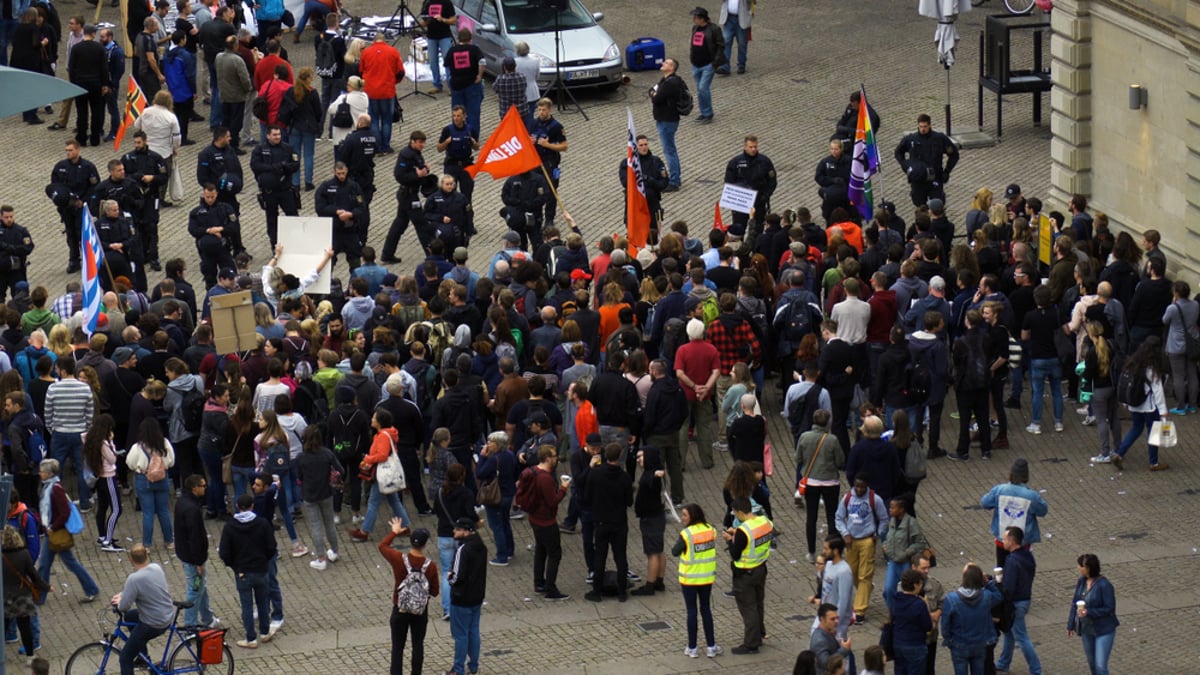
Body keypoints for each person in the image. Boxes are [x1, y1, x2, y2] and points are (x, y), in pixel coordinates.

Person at [37, 458, 101, 602]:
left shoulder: (55, 489)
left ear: (48, 473)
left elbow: (64, 512)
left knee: (64, 563)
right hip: (52, 532)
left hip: (55, 532)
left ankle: (91, 588)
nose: (39, 474)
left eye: (41, 472)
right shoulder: (51, 487)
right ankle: (40, 595)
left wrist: (52, 527)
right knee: (45, 564)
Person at [219, 493, 278, 648]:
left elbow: (224, 552)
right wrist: (264, 560)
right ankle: (265, 632)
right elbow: (272, 547)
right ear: (252, 506)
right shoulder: (263, 524)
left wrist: (234, 565)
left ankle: (250, 638)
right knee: (263, 602)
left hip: (242, 572)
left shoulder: (230, 526)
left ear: (238, 507)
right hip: (260, 569)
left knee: (247, 605)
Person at [380, 522, 438, 675]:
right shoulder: (430, 566)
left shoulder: (399, 559)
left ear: (410, 541)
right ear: (425, 544)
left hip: (400, 608)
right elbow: (435, 591)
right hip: (420, 611)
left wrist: (394, 532)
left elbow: (382, 546)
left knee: (397, 647)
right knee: (418, 644)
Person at [347, 409, 411, 542]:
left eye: (374, 418)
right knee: (394, 501)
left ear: (380, 422)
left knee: (373, 502)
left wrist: (368, 459)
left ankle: (365, 531)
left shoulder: (382, 436)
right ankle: (405, 527)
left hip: (381, 474)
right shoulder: (388, 434)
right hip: (386, 474)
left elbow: (382, 455)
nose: (372, 419)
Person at [583, 443, 634, 602]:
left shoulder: (596, 474)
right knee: (620, 556)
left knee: (600, 556)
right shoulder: (625, 477)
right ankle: (621, 592)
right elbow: (629, 502)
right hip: (619, 522)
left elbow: (587, 497)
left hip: (601, 522)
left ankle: (596, 592)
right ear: (619, 456)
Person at [112, 544, 173, 675]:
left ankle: (138, 654)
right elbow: (146, 586)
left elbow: (123, 607)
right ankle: (142, 656)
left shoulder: (134, 579)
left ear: (131, 560)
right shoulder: (156, 567)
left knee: (125, 658)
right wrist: (124, 594)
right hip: (166, 615)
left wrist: (119, 602)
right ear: (147, 556)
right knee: (130, 616)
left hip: (153, 623)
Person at [834, 475, 886, 624]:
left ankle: (860, 610)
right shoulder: (847, 498)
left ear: (867, 486)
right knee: (851, 573)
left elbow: (884, 519)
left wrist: (877, 534)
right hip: (851, 541)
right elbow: (839, 518)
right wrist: (845, 534)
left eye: (862, 486)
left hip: (867, 540)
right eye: (857, 486)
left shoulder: (874, 499)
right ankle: (867, 589)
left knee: (865, 575)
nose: (859, 489)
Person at [45, 356, 94, 511]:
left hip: (59, 433)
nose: (56, 371)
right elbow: (89, 414)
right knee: (81, 469)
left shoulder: (53, 388)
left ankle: (57, 504)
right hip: (79, 433)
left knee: (55, 470)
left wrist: (52, 428)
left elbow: (48, 413)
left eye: (57, 369)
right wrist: (85, 428)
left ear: (63, 371)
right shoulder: (85, 388)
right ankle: (85, 502)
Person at [673, 503, 722, 658]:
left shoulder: (686, 534)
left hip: (689, 579)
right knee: (706, 609)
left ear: (692, 516)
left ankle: (692, 648)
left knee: (692, 611)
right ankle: (711, 646)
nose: (682, 518)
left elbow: (675, 551)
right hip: (706, 577)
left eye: (685, 515)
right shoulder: (711, 530)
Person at [724, 496, 771, 655]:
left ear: (739, 512)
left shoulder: (744, 530)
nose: (735, 516)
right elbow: (754, 536)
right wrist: (737, 534)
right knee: (758, 604)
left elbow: (735, 554)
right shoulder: (765, 522)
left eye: (735, 513)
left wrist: (730, 540)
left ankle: (751, 644)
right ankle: (759, 633)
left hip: (745, 574)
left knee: (748, 608)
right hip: (761, 568)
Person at [980, 458, 1049, 566]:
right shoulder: (1031, 496)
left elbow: (985, 502)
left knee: (1002, 571)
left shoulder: (999, 490)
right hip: (1022, 543)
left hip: (1002, 540)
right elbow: (1043, 510)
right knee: (1021, 573)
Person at [522, 444, 570, 599]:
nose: (557, 458)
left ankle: (539, 583)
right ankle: (551, 589)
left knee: (541, 551)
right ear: (548, 458)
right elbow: (553, 501)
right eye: (554, 456)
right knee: (554, 554)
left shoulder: (533, 472)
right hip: (546, 522)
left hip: (534, 518)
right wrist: (563, 488)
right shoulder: (546, 478)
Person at [994, 526, 1042, 675]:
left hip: (1016, 603)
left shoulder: (1012, 561)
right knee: (1009, 632)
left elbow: (1008, 588)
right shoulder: (1027, 556)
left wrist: (996, 583)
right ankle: (1003, 663)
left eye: (1005, 538)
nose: (1002, 541)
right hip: (1025, 598)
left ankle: (1036, 670)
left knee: (1021, 637)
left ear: (1012, 541)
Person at [295, 425, 343, 570]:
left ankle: (320, 558)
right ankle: (334, 551)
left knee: (316, 525)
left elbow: (298, 477)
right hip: (326, 492)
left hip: (309, 494)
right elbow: (340, 470)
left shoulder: (301, 457)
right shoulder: (327, 454)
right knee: (329, 523)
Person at [940, 563, 1002, 675]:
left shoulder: (951, 599)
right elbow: (998, 596)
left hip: (959, 644)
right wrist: (987, 582)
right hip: (980, 644)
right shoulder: (986, 596)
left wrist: (949, 640)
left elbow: (945, 624)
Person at [174, 474, 218, 630]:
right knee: (195, 589)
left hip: (186, 554)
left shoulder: (183, 503)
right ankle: (190, 625)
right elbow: (194, 537)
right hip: (193, 559)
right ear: (194, 488)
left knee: (201, 587)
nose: (205, 488)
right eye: (203, 486)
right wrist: (199, 561)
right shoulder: (192, 509)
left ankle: (207, 618)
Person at [797, 409, 842, 561]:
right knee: (832, 516)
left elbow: (798, 458)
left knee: (811, 517)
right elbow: (840, 461)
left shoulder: (804, 437)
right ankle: (833, 551)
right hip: (830, 482)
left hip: (811, 482)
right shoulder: (832, 440)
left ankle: (811, 552)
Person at [1, 524, 49, 663]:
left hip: (5, 597)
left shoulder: (2, 556)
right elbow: (34, 575)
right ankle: (30, 656)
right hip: (22, 597)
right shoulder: (24, 555)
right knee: (25, 628)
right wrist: (46, 587)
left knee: (2, 628)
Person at [126, 417, 175, 549]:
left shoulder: (137, 447)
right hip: (162, 478)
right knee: (164, 511)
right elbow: (171, 461)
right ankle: (169, 541)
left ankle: (147, 544)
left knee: (148, 513)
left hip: (143, 480)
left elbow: (130, 463)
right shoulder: (164, 443)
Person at [447, 516, 487, 675]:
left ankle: (458, 669)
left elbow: (456, 576)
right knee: (473, 631)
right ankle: (474, 665)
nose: (454, 531)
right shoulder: (481, 546)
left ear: (465, 531)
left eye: (457, 529)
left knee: (460, 635)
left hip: (461, 597)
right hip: (477, 595)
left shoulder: (463, 549)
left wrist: (449, 578)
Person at [893, 113, 959, 206]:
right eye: (921, 126)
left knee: (937, 205)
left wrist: (947, 171)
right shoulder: (911, 139)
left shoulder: (939, 139)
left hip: (935, 177)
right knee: (919, 206)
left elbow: (954, 155)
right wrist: (906, 165)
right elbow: (898, 152)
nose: (923, 129)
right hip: (918, 179)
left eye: (925, 126)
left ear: (930, 125)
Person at [1069, 553, 1118, 675]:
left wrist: (1089, 612)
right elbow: (1075, 603)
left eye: (1081, 566)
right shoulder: (1081, 582)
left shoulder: (1104, 585)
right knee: (1092, 665)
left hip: (1103, 630)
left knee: (1100, 666)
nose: (1078, 568)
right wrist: (1070, 624)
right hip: (1087, 629)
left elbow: (1109, 608)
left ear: (1088, 568)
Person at [724, 135, 777, 242]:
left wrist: (765, 196)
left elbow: (772, 181)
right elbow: (729, 182)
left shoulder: (765, 162)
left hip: (759, 202)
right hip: (741, 203)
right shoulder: (736, 163)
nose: (753, 149)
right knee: (739, 230)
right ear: (745, 147)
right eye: (751, 147)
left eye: (755, 147)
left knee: (758, 230)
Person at [82, 413, 123, 551]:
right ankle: (108, 541)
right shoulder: (104, 443)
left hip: (100, 478)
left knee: (103, 507)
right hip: (108, 477)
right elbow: (112, 459)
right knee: (117, 509)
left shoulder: (91, 440)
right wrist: (111, 442)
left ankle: (102, 535)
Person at [476, 431, 517, 566]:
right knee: (505, 522)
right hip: (508, 494)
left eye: (490, 442)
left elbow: (480, 473)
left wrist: (482, 457)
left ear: (498, 445)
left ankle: (502, 556)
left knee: (496, 526)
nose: (487, 444)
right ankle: (509, 550)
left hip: (496, 496)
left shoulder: (494, 459)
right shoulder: (510, 455)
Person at [881, 495, 927, 614]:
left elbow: (920, 543)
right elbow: (888, 536)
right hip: (893, 562)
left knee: (906, 590)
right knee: (888, 590)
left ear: (901, 509)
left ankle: (906, 612)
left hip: (906, 563)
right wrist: (886, 545)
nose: (890, 510)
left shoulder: (910, 523)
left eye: (893, 508)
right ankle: (893, 612)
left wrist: (906, 553)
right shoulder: (892, 521)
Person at [630, 447, 667, 596]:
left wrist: (655, 475)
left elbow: (656, 478)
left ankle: (650, 585)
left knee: (652, 552)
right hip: (656, 517)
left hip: (651, 518)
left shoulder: (652, 474)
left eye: (641, 456)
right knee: (659, 550)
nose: (638, 459)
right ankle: (659, 580)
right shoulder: (653, 472)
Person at [359, 31, 403, 154]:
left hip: (371, 91)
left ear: (373, 41)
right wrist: (394, 82)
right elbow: (400, 72)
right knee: (386, 120)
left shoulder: (366, 52)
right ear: (384, 40)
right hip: (387, 91)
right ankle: (385, 146)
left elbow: (361, 70)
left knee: (373, 119)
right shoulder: (393, 52)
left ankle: (376, 147)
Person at [530, 99, 568, 226]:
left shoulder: (556, 126)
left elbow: (564, 146)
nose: (541, 112)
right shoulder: (533, 124)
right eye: (539, 110)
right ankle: (537, 217)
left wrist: (548, 145)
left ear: (549, 110)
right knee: (536, 190)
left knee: (551, 191)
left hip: (550, 162)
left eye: (544, 110)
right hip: (535, 162)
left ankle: (549, 219)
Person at [649, 58, 685, 189]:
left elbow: (656, 98)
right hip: (663, 118)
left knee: (669, 150)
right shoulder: (665, 80)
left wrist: (654, 94)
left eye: (667, 63)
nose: (663, 63)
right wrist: (654, 93)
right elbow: (651, 90)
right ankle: (676, 178)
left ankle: (674, 181)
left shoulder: (671, 83)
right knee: (670, 149)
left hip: (667, 120)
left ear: (672, 68)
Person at [444, 29, 485, 138]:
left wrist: (450, 79)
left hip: (457, 86)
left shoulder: (452, 50)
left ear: (458, 39)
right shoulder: (474, 49)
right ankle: (473, 138)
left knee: (457, 112)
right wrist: (479, 75)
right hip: (472, 85)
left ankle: (457, 135)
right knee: (473, 113)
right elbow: (482, 62)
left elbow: (446, 64)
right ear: (470, 39)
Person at [892, 568, 934, 675]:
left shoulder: (896, 600)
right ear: (915, 585)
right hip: (915, 645)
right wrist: (926, 605)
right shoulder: (919, 604)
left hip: (898, 644)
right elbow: (928, 626)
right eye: (920, 583)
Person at [688, 7, 723, 124]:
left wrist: (715, 62)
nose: (694, 20)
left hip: (708, 64)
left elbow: (721, 45)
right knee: (700, 89)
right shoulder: (695, 28)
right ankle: (703, 113)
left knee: (703, 88)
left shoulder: (714, 29)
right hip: (696, 64)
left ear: (702, 19)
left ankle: (708, 113)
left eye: (696, 18)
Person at [420, 0, 456, 93]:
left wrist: (443, 19)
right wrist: (424, 22)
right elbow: (423, 20)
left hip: (444, 36)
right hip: (431, 37)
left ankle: (452, 86)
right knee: (433, 62)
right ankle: (437, 84)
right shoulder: (427, 2)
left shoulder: (447, 3)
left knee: (447, 61)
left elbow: (453, 20)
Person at [809, 603, 852, 672]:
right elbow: (826, 663)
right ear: (822, 619)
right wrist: (844, 650)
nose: (837, 621)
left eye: (837, 618)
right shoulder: (819, 640)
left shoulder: (828, 631)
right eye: (832, 619)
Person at [717, 0, 751, 74]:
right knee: (726, 41)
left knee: (742, 43)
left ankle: (741, 64)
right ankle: (725, 66)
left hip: (741, 18)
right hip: (728, 17)